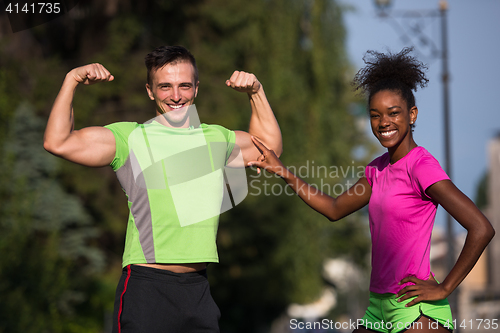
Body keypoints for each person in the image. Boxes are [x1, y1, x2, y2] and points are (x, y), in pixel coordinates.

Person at [247, 47, 494, 333]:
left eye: (393, 113)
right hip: (378, 305)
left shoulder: (421, 166)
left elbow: (481, 227)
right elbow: (334, 209)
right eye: (375, 115)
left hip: (414, 309)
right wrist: (282, 170)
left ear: (412, 114)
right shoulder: (377, 170)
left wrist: (445, 287)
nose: (384, 122)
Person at [43, 45, 282, 333]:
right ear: (150, 90)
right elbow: (58, 142)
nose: (176, 95)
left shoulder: (217, 138)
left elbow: (269, 150)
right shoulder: (129, 137)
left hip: (198, 290)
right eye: (165, 86)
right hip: (146, 288)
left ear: (196, 88)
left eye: (184, 85)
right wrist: (72, 80)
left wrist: (256, 92)